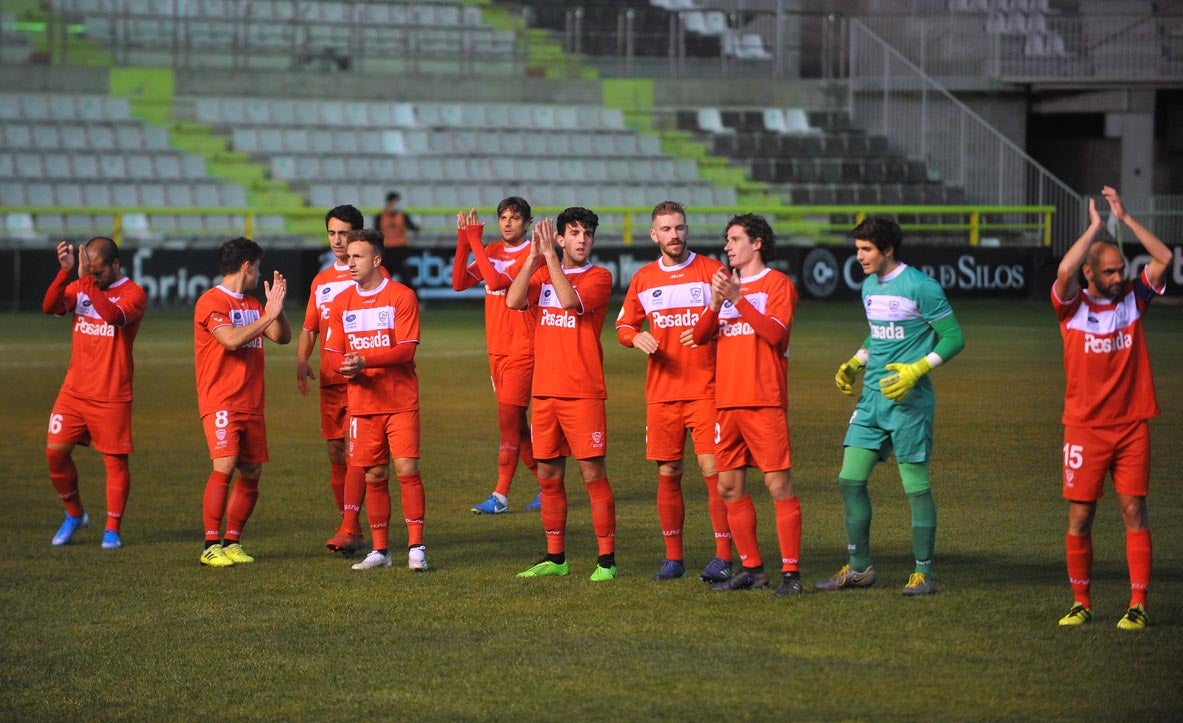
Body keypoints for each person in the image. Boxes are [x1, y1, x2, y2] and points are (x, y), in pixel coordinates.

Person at [817, 216, 964, 596]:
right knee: (849, 480)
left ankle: (924, 572)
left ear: (888, 249)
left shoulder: (921, 286)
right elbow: (879, 331)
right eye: (857, 250)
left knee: (915, 487)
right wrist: (856, 361)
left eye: (866, 250)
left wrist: (918, 369)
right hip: (871, 400)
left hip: (909, 401)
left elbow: (953, 337)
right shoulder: (868, 285)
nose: (860, 257)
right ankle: (860, 568)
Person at [1052, 187, 1170, 631]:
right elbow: (1064, 269)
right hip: (1083, 429)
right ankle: (1081, 601)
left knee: (1134, 511)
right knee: (1081, 516)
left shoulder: (1133, 304)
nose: (1119, 277)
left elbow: (1162, 258)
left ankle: (1137, 604)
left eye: (1121, 269)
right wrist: (1096, 227)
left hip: (1131, 426)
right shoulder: (1071, 308)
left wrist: (1124, 216)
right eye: (1110, 271)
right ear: (1090, 273)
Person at [615, 201, 733, 583]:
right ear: (654, 235)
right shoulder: (645, 278)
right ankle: (673, 558)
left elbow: (733, 319)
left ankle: (722, 555)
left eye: (679, 228)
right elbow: (623, 326)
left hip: (706, 389)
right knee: (669, 472)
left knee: (714, 471)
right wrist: (637, 337)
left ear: (687, 230)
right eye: (666, 229)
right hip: (662, 393)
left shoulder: (712, 272)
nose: (674, 235)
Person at [691, 214, 803, 596]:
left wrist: (737, 299)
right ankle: (752, 569)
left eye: (735, 239)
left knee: (778, 484)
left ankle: (791, 573)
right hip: (727, 402)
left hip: (763, 400)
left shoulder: (777, 284)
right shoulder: (725, 288)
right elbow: (701, 336)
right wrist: (716, 302)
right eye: (727, 240)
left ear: (757, 243)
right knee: (728, 486)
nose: (727, 246)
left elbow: (774, 334)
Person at [506, 209, 617, 581]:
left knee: (592, 475)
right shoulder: (540, 272)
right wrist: (533, 258)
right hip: (545, 393)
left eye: (587, 233)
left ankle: (606, 561)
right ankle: (556, 558)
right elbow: (512, 300)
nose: (582, 239)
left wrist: (550, 259)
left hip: (583, 392)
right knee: (549, 477)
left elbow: (570, 301)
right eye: (574, 232)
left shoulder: (600, 277)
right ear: (561, 238)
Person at [322, 229, 428, 572]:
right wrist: (346, 366)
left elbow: (406, 349)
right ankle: (380, 550)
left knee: (406, 470)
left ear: (376, 260)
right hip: (363, 405)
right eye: (348, 257)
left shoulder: (401, 296)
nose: (349, 263)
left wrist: (364, 360)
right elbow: (335, 354)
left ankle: (416, 548)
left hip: (400, 401)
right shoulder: (341, 303)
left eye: (358, 257)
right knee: (374, 475)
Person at [41, 237, 147, 549]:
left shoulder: (133, 294)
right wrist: (65, 274)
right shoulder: (84, 285)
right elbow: (49, 307)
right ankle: (74, 514)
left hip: (112, 392)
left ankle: (112, 529)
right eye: (91, 271)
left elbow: (113, 317)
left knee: (115, 462)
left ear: (116, 265)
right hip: (74, 391)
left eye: (99, 271)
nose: (94, 276)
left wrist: (85, 281)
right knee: (54, 453)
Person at [194, 237, 292, 567]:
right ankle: (210, 545)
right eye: (258, 268)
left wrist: (275, 310)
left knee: (251, 472)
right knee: (224, 463)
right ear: (247, 266)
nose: (258, 273)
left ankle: (233, 541)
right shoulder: (211, 302)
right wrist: (268, 316)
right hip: (221, 400)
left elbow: (282, 337)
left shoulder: (252, 305)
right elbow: (232, 340)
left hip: (251, 402)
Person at [452, 197, 542, 514]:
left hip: (524, 349)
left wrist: (474, 240)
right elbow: (460, 282)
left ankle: (500, 496)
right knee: (517, 425)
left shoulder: (534, 255)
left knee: (507, 421)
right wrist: (465, 242)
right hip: (497, 351)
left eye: (515, 218)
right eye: (503, 217)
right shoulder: (490, 251)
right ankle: (548, 485)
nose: (507, 222)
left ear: (527, 223)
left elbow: (494, 282)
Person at [296, 204, 370, 555]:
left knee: (358, 453)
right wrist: (300, 358)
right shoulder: (322, 280)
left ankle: (350, 528)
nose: (337, 240)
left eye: (344, 233)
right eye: (332, 233)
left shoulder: (366, 277)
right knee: (336, 451)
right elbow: (310, 327)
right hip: (329, 380)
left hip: (361, 380)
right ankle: (347, 522)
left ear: (357, 234)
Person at [374, 191, 419, 284]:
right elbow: (376, 232)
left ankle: (413, 295)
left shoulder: (402, 215)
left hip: (400, 248)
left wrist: (417, 227)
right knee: (384, 274)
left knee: (405, 274)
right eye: (395, 202)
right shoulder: (380, 216)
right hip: (387, 249)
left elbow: (412, 227)